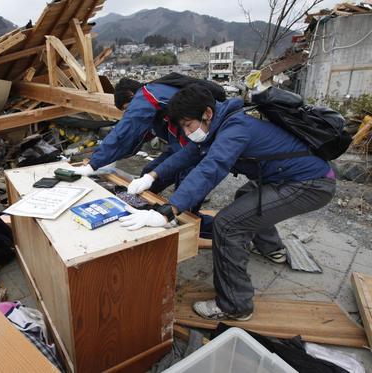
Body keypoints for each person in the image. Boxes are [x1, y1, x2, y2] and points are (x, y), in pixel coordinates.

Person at [119, 85, 336, 321]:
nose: (186, 131)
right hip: (286, 178)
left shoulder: (235, 129)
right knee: (246, 200)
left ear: (207, 114)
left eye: (188, 124)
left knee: (229, 224)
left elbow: (211, 169)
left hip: (310, 184)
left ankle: (235, 305)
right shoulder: (219, 124)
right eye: (182, 126)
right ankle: (273, 249)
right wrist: (152, 176)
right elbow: (188, 154)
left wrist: (167, 211)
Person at [73, 75, 224, 195]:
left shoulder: (148, 93)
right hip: (179, 145)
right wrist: (102, 160)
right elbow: (132, 142)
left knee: (184, 192)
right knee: (148, 176)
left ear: (133, 95)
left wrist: (94, 163)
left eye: (128, 108)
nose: (129, 112)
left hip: (193, 146)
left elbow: (127, 128)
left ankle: (183, 221)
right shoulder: (154, 111)